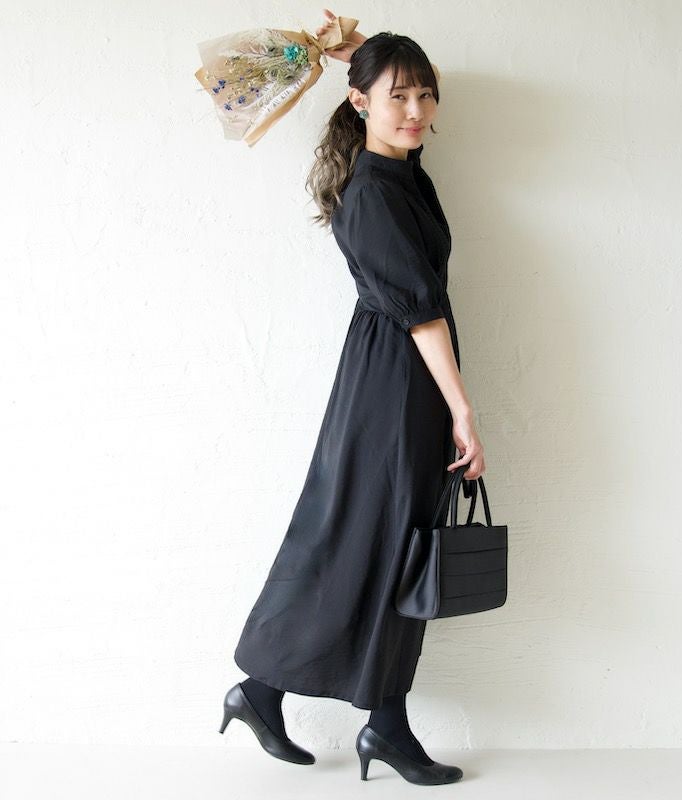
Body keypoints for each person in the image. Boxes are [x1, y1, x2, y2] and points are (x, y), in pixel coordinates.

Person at [218, 10, 485, 785]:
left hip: (399, 382)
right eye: (400, 97)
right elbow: (421, 312)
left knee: (387, 544)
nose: (418, 111)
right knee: (369, 543)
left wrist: (362, 57)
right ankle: (325, 708)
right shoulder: (373, 193)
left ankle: (319, 708)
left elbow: (420, 308)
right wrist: (463, 409)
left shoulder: (401, 175)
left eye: (426, 95)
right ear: (361, 103)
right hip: (393, 388)